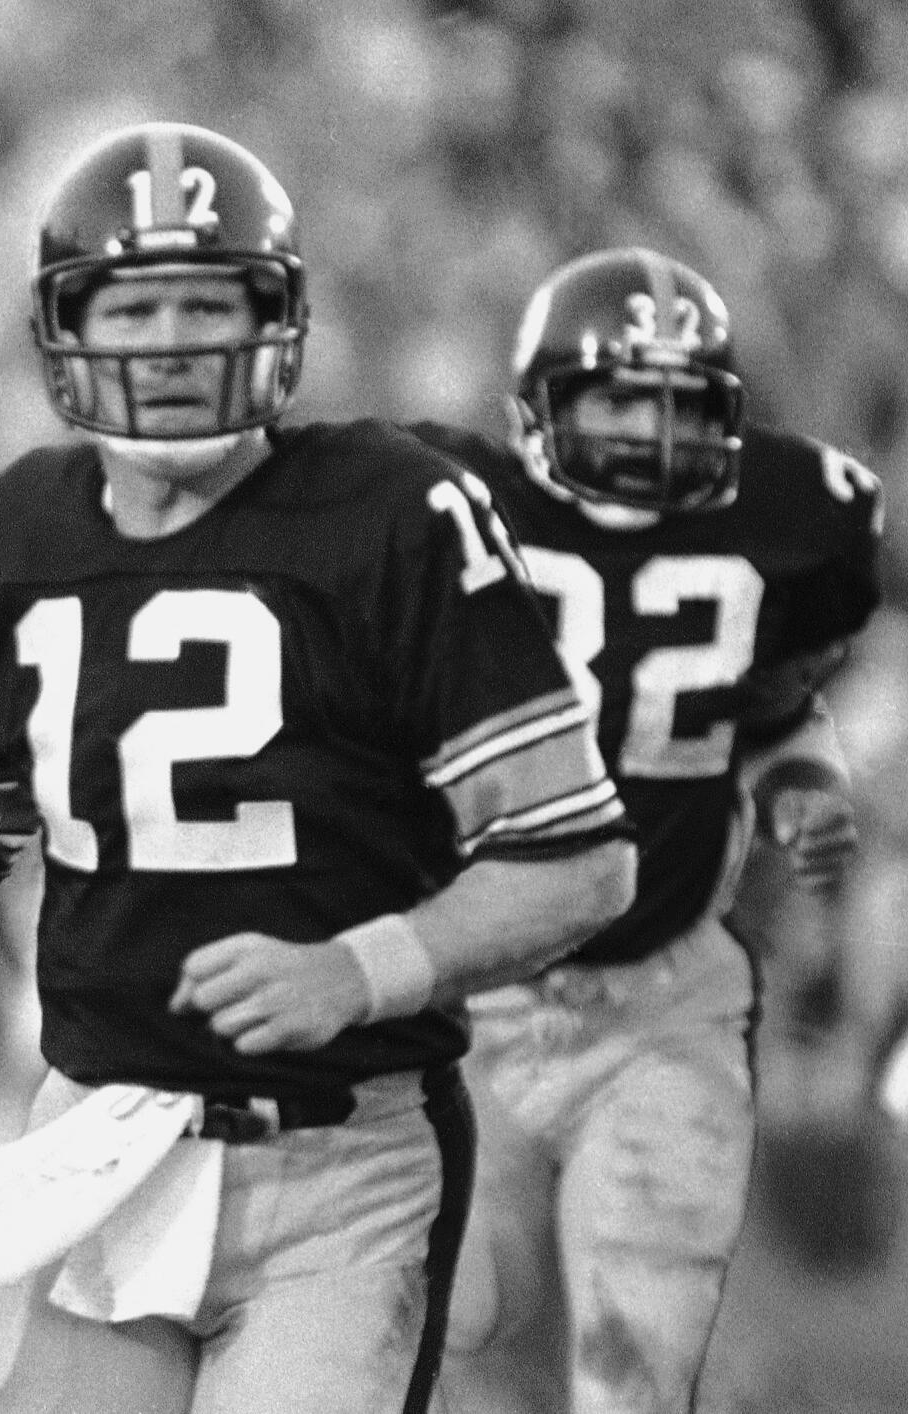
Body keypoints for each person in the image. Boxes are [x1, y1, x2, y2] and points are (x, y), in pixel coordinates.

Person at [0, 120, 636, 1414]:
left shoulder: (397, 514)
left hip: (342, 1159)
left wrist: (356, 969)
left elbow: (580, 862)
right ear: (65, 329)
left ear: (277, 318)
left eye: (208, 302)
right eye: (133, 306)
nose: (171, 341)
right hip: (100, 1140)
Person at [407, 247, 884, 1414]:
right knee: (461, 1321)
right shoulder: (446, 515)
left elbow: (774, 712)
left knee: (637, 1352)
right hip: (470, 990)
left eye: (675, 405)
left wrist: (801, 778)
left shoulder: (781, 530)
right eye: (615, 398)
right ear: (535, 411)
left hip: (658, 989)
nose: (643, 431)